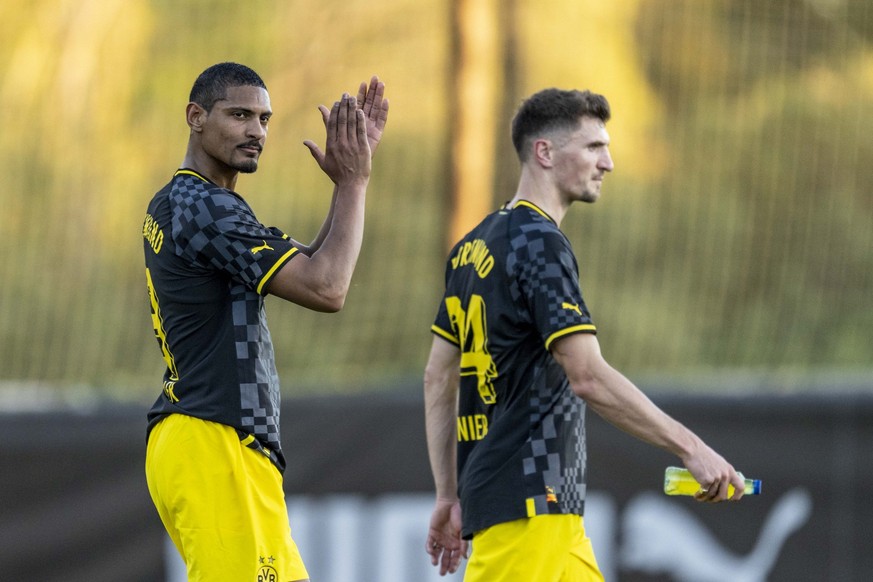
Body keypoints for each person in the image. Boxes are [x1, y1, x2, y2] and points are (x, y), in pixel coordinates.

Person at [423, 88, 746, 580]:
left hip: (547, 517)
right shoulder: (542, 243)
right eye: (594, 147)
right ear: (545, 152)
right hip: (527, 511)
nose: (609, 162)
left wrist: (449, 493)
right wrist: (691, 448)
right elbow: (588, 376)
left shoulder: (470, 247)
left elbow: (437, 378)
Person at [142, 62, 388, 582]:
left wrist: (349, 182)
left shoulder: (185, 202)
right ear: (195, 117)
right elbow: (327, 287)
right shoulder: (208, 209)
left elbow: (310, 262)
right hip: (215, 441)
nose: (256, 131)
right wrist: (355, 184)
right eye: (239, 115)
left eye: (265, 118)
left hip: (199, 437)